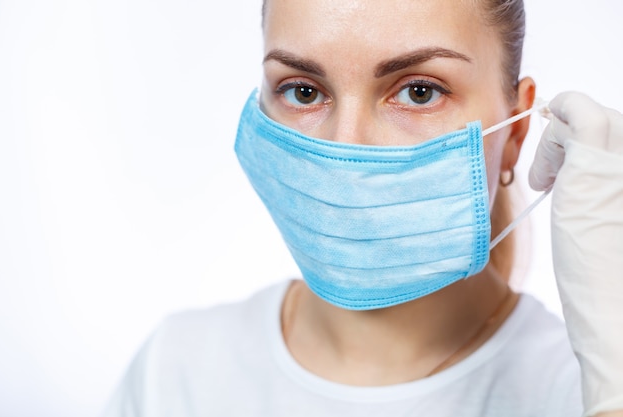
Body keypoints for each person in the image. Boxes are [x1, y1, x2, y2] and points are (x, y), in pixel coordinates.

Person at [101, 0, 623, 416]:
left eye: (419, 92)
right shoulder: (175, 372)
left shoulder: (580, 388)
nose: (347, 147)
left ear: (515, 130)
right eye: (303, 91)